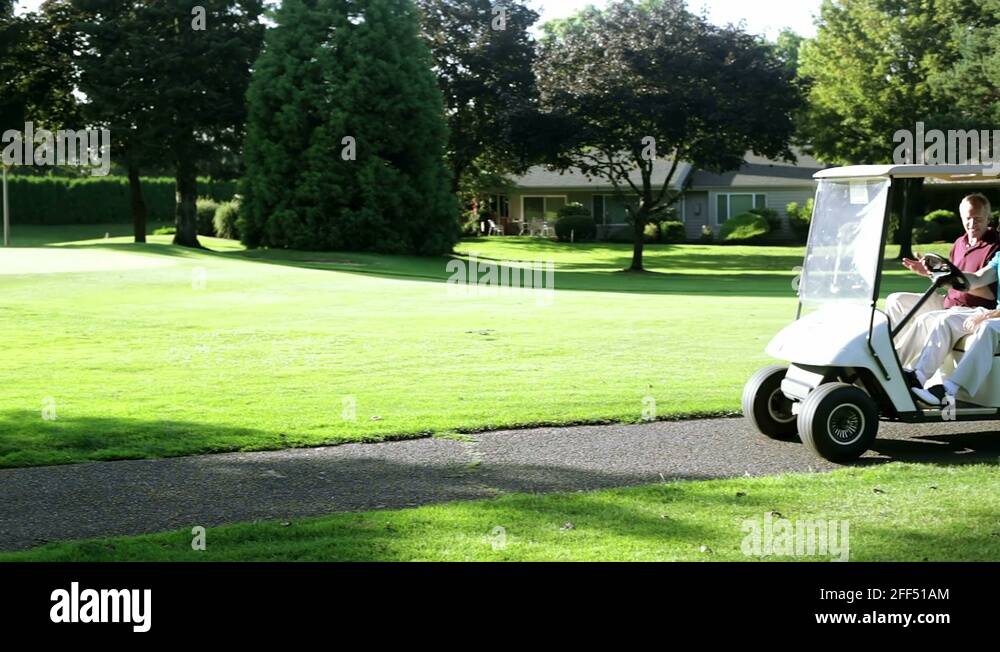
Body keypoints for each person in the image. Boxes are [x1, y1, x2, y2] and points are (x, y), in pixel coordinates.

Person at [886, 194, 999, 367]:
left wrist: (953, 280)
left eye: (977, 219)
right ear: (961, 217)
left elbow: (989, 294)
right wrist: (931, 273)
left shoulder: (995, 246)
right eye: (968, 219)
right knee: (896, 300)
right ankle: (893, 354)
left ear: (988, 218)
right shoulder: (959, 243)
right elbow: (950, 280)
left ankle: (892, 367)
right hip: (948, 301)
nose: (972, 224)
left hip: (973, 308)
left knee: (926, 320)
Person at [909, 250, 1000, 406]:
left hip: (995, 315)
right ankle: (918, 377)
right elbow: (977, 278)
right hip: (995, 313)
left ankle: (948, 390)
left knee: (987, 327)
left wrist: (990, 315)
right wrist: (948, 276)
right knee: (947, 319)